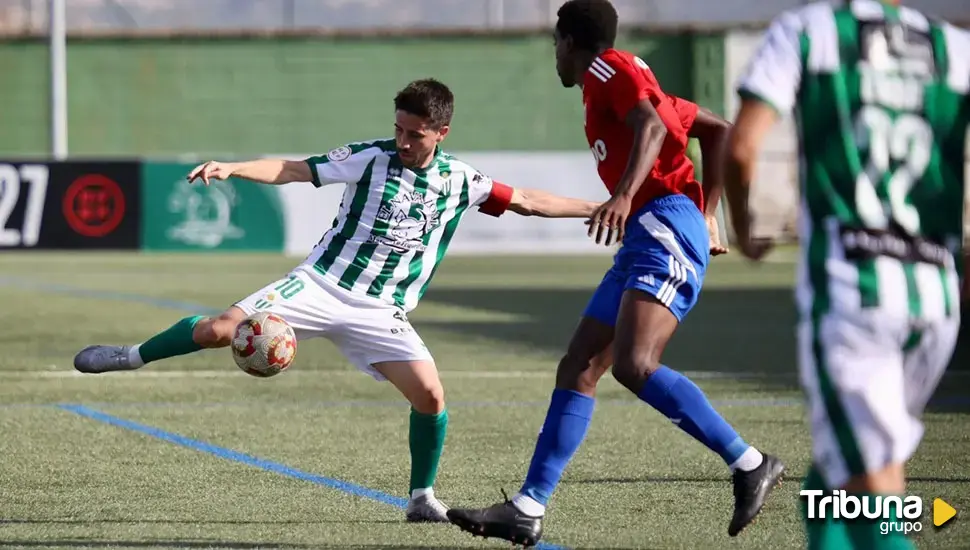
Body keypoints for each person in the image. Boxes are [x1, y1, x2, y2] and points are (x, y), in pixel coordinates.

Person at [72, 78, 603, 524]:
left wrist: (602, 207)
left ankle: (421, 499)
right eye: (397, 128)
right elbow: (294, 169)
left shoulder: (459, 180)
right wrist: (234, 168)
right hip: (320, 285)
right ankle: (132, 354)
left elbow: (530, 201)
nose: (402, 141)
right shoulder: (370, 159)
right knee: (217, 330)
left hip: (380, 311)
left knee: (431, 397)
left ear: (441, 133)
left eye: (414, 134)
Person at [446, 1, 784, 546]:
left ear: (570, 42)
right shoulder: (629, 85)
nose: (554, 54)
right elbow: (716, 131)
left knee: (635, 364)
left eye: (555, 43)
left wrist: (629, 198)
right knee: (579, 364)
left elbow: (650, 124)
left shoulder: (609, 69)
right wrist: (709, 215)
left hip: (662, 227)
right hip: (652, 232)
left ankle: (749, 463)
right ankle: (529, 508)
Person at [722, 1, 969, 548]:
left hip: (854, 300)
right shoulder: (955, 48)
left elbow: (740, 149)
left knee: (876, 498)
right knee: (839, 479)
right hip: (935, 298)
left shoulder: (808, 32)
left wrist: (743, 229)